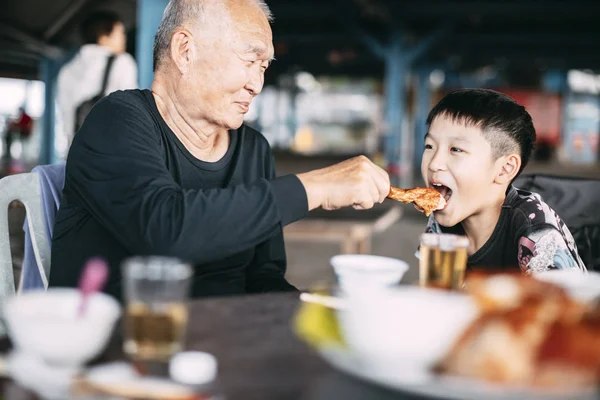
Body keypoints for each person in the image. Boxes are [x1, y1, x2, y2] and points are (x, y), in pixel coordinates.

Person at [49, 0, 390, 300]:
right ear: (185, 51)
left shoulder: (253, 148)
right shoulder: (117, 120)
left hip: (225, 347)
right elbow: (164, 230)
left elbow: (263, 275)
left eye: (264, 67)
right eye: (249, 60)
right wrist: (315, 187)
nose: (256, 84)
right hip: (123, 350)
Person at [421, 88, 586, 274]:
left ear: (504, 169)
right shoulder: (440, 223)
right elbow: (435, 296)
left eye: (456, 149)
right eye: (429, 146)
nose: (434, 163)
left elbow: (560, 301)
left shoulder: (535, 227)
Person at [56, 10, 138, 155]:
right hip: (111, 155)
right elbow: (130, 115)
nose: (124, 38)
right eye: (120, 33)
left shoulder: (66, 72)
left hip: (75, 156)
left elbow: (66, 120)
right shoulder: (123, 63)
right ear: (103, 37)